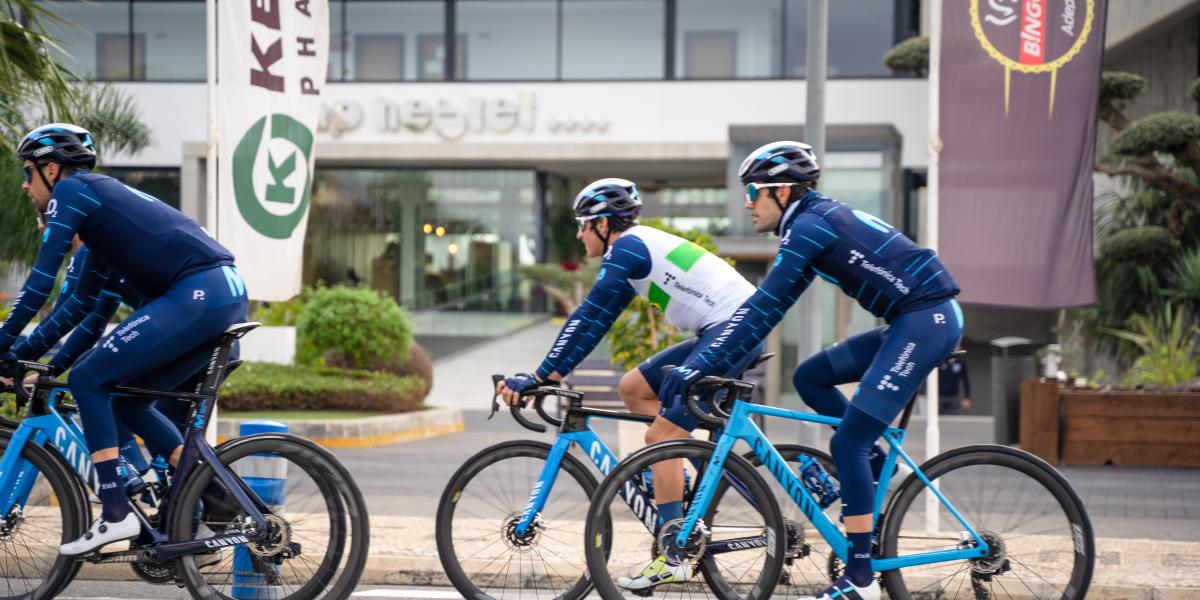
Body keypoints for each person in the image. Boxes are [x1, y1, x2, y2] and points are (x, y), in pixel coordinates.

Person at [660, 142, 963, 600]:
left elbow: (761, 308)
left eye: (753, 192)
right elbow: (766, 310)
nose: (747, 203)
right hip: (914, 320)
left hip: (926, 321)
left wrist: (698, 366)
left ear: (781, 192)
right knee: (809, 377)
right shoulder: (810, 224)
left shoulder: (808, 227)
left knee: (848, 443)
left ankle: (860, 578)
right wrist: (704, 363)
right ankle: (875, 467)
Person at [495, 178, 763, 590]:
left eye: (583, 225)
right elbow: (595, 323)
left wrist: (537, 377)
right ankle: (683, 476)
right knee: (634, 388)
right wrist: (549, 374)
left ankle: (674, 553)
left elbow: (586, 316)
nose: (579, 234)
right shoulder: (635, 252)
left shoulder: (628, 248)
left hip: (732, 327)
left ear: (603, 224)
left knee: (661, 437)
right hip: (724, 328)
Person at [0, 123, 249, 556]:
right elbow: (79, 311)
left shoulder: (73, 190)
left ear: (51, 169)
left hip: (199, 296)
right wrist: (22, 356)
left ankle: (117, 513)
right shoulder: (101, 236)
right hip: (215, 296)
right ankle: (206, 511)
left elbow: (40, 284)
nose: (25, 184)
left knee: (89, 379)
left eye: (28, 172)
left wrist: (4, 344)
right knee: (125, 402)